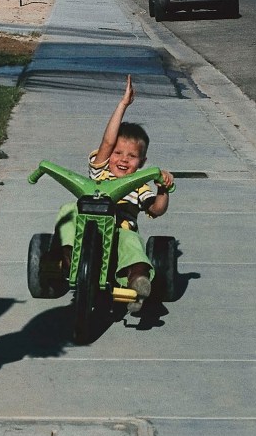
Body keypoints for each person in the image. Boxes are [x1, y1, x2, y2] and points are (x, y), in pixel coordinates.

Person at [57, 74, 173, 315]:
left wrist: (162, 189)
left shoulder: (138, 186)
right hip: (85, 229)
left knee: (132, 243)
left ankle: (138, 282)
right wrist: (123, 105)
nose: (123, 159)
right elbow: (107, 142)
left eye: (131, 156)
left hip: (119, 233)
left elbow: (156, 209)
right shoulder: (99, 172)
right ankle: (68, 256)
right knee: (69, 210)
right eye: (118, 153)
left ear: (142, 162)